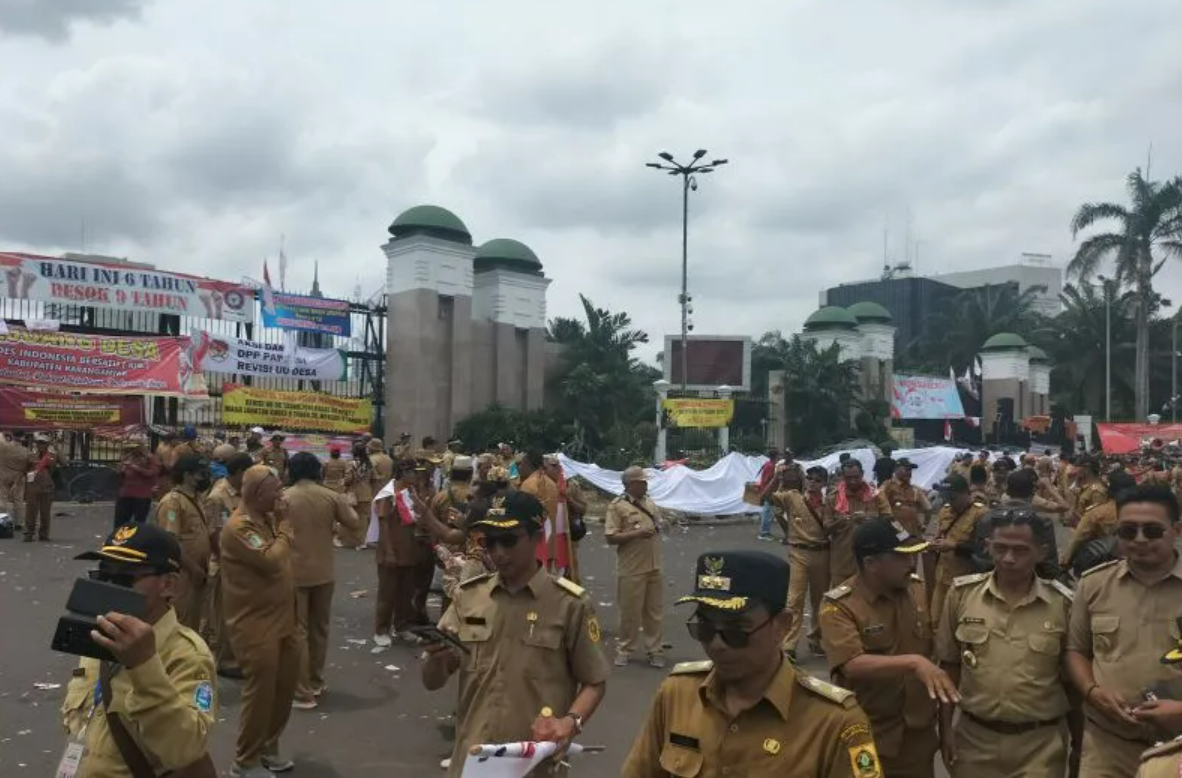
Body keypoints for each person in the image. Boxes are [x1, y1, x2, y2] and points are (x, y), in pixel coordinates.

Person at [621, 549, 879, 778]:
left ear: (782, 626)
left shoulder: (835, 722)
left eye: (737, 631)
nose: (717, 644)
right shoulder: (677, 695)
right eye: (706, 628)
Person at [422, 491, 609, 778]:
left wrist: (570, 723)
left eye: (509, 540)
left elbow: (594, 682)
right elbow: (432, 681)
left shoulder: (569, 604)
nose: (498, 551)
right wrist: (436, 659)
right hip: (474, 759)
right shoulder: (469, 596)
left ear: (537, 537)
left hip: (532, 762)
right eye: (489, 541)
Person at [61, 523, 216, 778]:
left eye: (124, 578)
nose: (110, 587)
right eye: (103, 575)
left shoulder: (187, 655)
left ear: (168, 585)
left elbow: (184, 751)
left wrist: (144, 665)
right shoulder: (101, 631)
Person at [935, 509, 1074, 778]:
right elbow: (949, 667)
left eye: (1020, 550)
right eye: (1000, 548)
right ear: (987, 548)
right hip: (974, 740)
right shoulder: (962, 595)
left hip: (1040, 745)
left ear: (1041, 552)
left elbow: (1072, 684)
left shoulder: (1064, 605)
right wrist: (945, 730)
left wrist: (1079, 745)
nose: (1009, 558)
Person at [820, 518, 958, 778]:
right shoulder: (840, 605)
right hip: (866, 737)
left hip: (917, 737)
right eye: (902, 557)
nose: (911, 564)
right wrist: (914, 663)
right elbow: (852, 664)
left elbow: (936, 661)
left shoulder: (915, 591)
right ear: (871, 563)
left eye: (913, 556)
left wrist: (946, 728)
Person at [1066, 485, 1182, 778]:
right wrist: (1092, 692)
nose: (1140, 540)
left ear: (1176, 530)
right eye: (1128, 531)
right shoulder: (1093, 586)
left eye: (1152, 531)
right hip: (1107, 745)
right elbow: (1076, 650)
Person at [220, 465, 299, 777]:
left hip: (284, 620)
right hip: (255, 625)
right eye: (275, 490)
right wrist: (284, 528)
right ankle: (245, 760)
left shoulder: (266, 521)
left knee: (284, 688)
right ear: (256, 493)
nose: (281, 496)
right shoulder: (239, 527)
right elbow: (270, 560)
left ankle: (268, 746)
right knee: (260, 693)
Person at [284, 452, 360, 709]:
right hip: (324, 571)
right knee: (319, 630)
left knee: (298, 632)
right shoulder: (331, 496)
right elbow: (354, 522)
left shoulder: (284, 497)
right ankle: (316, 682)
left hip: (293, 572)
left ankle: (302, 691)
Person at [766, 464, 831, 659]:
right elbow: (766, 498)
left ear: (824, 483)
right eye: (810, 478)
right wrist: (776, 478)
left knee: (821, 600)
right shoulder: (792, 497)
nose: (812, 483)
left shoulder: (831, 502)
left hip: (823, 553)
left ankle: (816, 639)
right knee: (794, 600)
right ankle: (789, 644)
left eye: (818, 480)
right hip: (799, 553)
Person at [605, 465, 666, 668]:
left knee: (654, 612)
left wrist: (663, 524)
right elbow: (611, 537)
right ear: (631, 484)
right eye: (642, 481)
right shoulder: (617, 506)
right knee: (629, 612)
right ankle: (624, 649)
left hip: (653, 564)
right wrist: (636, 534)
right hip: (631, 567)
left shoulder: (649, 502)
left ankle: (654, 649)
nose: (646, 484)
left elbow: (658, 523)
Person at [203, 452, 252, 680]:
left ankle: (235, 656)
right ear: (240, 472)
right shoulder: (218, 496)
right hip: (225, 564)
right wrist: (226, 560)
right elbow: (213, 533)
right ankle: (225, 660)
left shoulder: (242, 493)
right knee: (223, 616)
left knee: (239, 614)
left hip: (241, 563)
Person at [153, 454, 214, 632]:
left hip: (196, 573)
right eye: (201, 474)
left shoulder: (195, 499)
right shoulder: (173, 502)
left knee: (194, 620)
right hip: (182, 574)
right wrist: (194, 569)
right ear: (187, 475)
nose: (205, 479)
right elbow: (171, 541)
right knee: (180, 621)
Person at [372, 460, 426, 646]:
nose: (416, 476)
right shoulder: (388, 494)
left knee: (406, 592)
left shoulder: (412, 492)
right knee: (387, 593)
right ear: (403, 473)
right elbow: (384, 523)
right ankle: (381, 630)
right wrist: (389, 551)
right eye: (413, 473)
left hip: (409, 549)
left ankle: (402, 626)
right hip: (392, 550)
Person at [928, 476, 989, 629]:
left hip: (966, 582)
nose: (949, 502)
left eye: (952, 498)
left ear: (966, 493)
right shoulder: (945, 511)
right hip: (942, 578)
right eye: (946, 498)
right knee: (936, 622)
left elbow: (984, 550)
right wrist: (935, 542)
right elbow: (941, 533)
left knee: (962, 624)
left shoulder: (981, 514)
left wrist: (954, 546)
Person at [826, 458, 892, 587]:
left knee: (871, 600)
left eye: (856, 477)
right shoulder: (833, 498)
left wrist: (871, 521)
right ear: (842, 477)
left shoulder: (876, 495)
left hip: (870, 559)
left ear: (862, 473)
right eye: (848, 477)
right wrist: (846, 520)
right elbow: (826, 528)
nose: (853, 481)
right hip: (842, 561)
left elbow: (889, 519)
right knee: (840, 600)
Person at [1061, 470, 1135, 569]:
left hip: (1107, 562)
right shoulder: (1145, 511)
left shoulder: (1097, 513)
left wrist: (1064, 563)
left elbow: (1077, 539)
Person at [518, 449, 560, 568]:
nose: (519, 467)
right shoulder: (551, 484)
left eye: (521, 464)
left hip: (533, 546)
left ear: (527, 464)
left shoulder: (528, 485)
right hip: (550, 543)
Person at [24, 433, 57, 541]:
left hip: (47, 488)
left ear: (47, 444)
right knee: (30, 512)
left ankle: (43, 534)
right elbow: (24, 468)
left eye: (43, 443)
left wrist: (56, 447)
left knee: (45, 512)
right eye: (38, 442)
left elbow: (64, 462)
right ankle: (28, 533)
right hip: (32, 487)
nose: (40, 445)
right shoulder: (31, 455)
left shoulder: (52, 455)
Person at [343, 443, 375, 549]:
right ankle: (363, 541)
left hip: (354, 494)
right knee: (364, 519)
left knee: (352, 517)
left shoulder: (351, 464)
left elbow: (348, 479)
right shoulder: (369, 464)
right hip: (366, 493)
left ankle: (356, 541)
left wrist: (343, 482)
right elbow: (374, 478)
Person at [0, 430, 28, 533]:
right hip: (18, 478)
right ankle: (18, 523)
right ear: (23, 437)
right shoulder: (25, 451)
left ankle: (3, 522)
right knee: (18, 500)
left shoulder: (3, 448)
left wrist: (3, 434)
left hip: (3, 476)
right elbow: (29, 465)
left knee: (2, 499)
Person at [756, 447, 781, 541]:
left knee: (767, 512)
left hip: (766, 490)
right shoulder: (771, 466)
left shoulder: (768, 464)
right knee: (767, 512)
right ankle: (764, 533)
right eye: (778, 455)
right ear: (776, 456)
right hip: (769, 492)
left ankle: (765, 532)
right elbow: (767, 479)